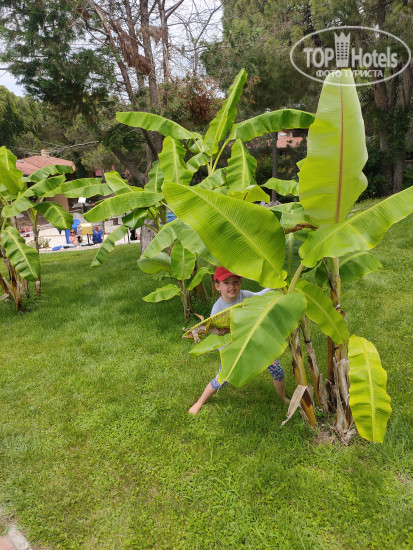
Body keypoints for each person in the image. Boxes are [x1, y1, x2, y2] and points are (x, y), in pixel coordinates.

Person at [188, 267, 289, 415]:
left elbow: (260, 296)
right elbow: (217, 334)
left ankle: (282, 397)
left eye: (236, 281)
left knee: (277, 370)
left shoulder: (245, 295)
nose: (232, 286)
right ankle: (199, 402)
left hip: (255, 342)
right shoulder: (217, 309)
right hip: (234, 350)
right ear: (217, 286)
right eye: (226, 282)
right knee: (222, 378)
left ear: (240, 283)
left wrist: (276, 286)